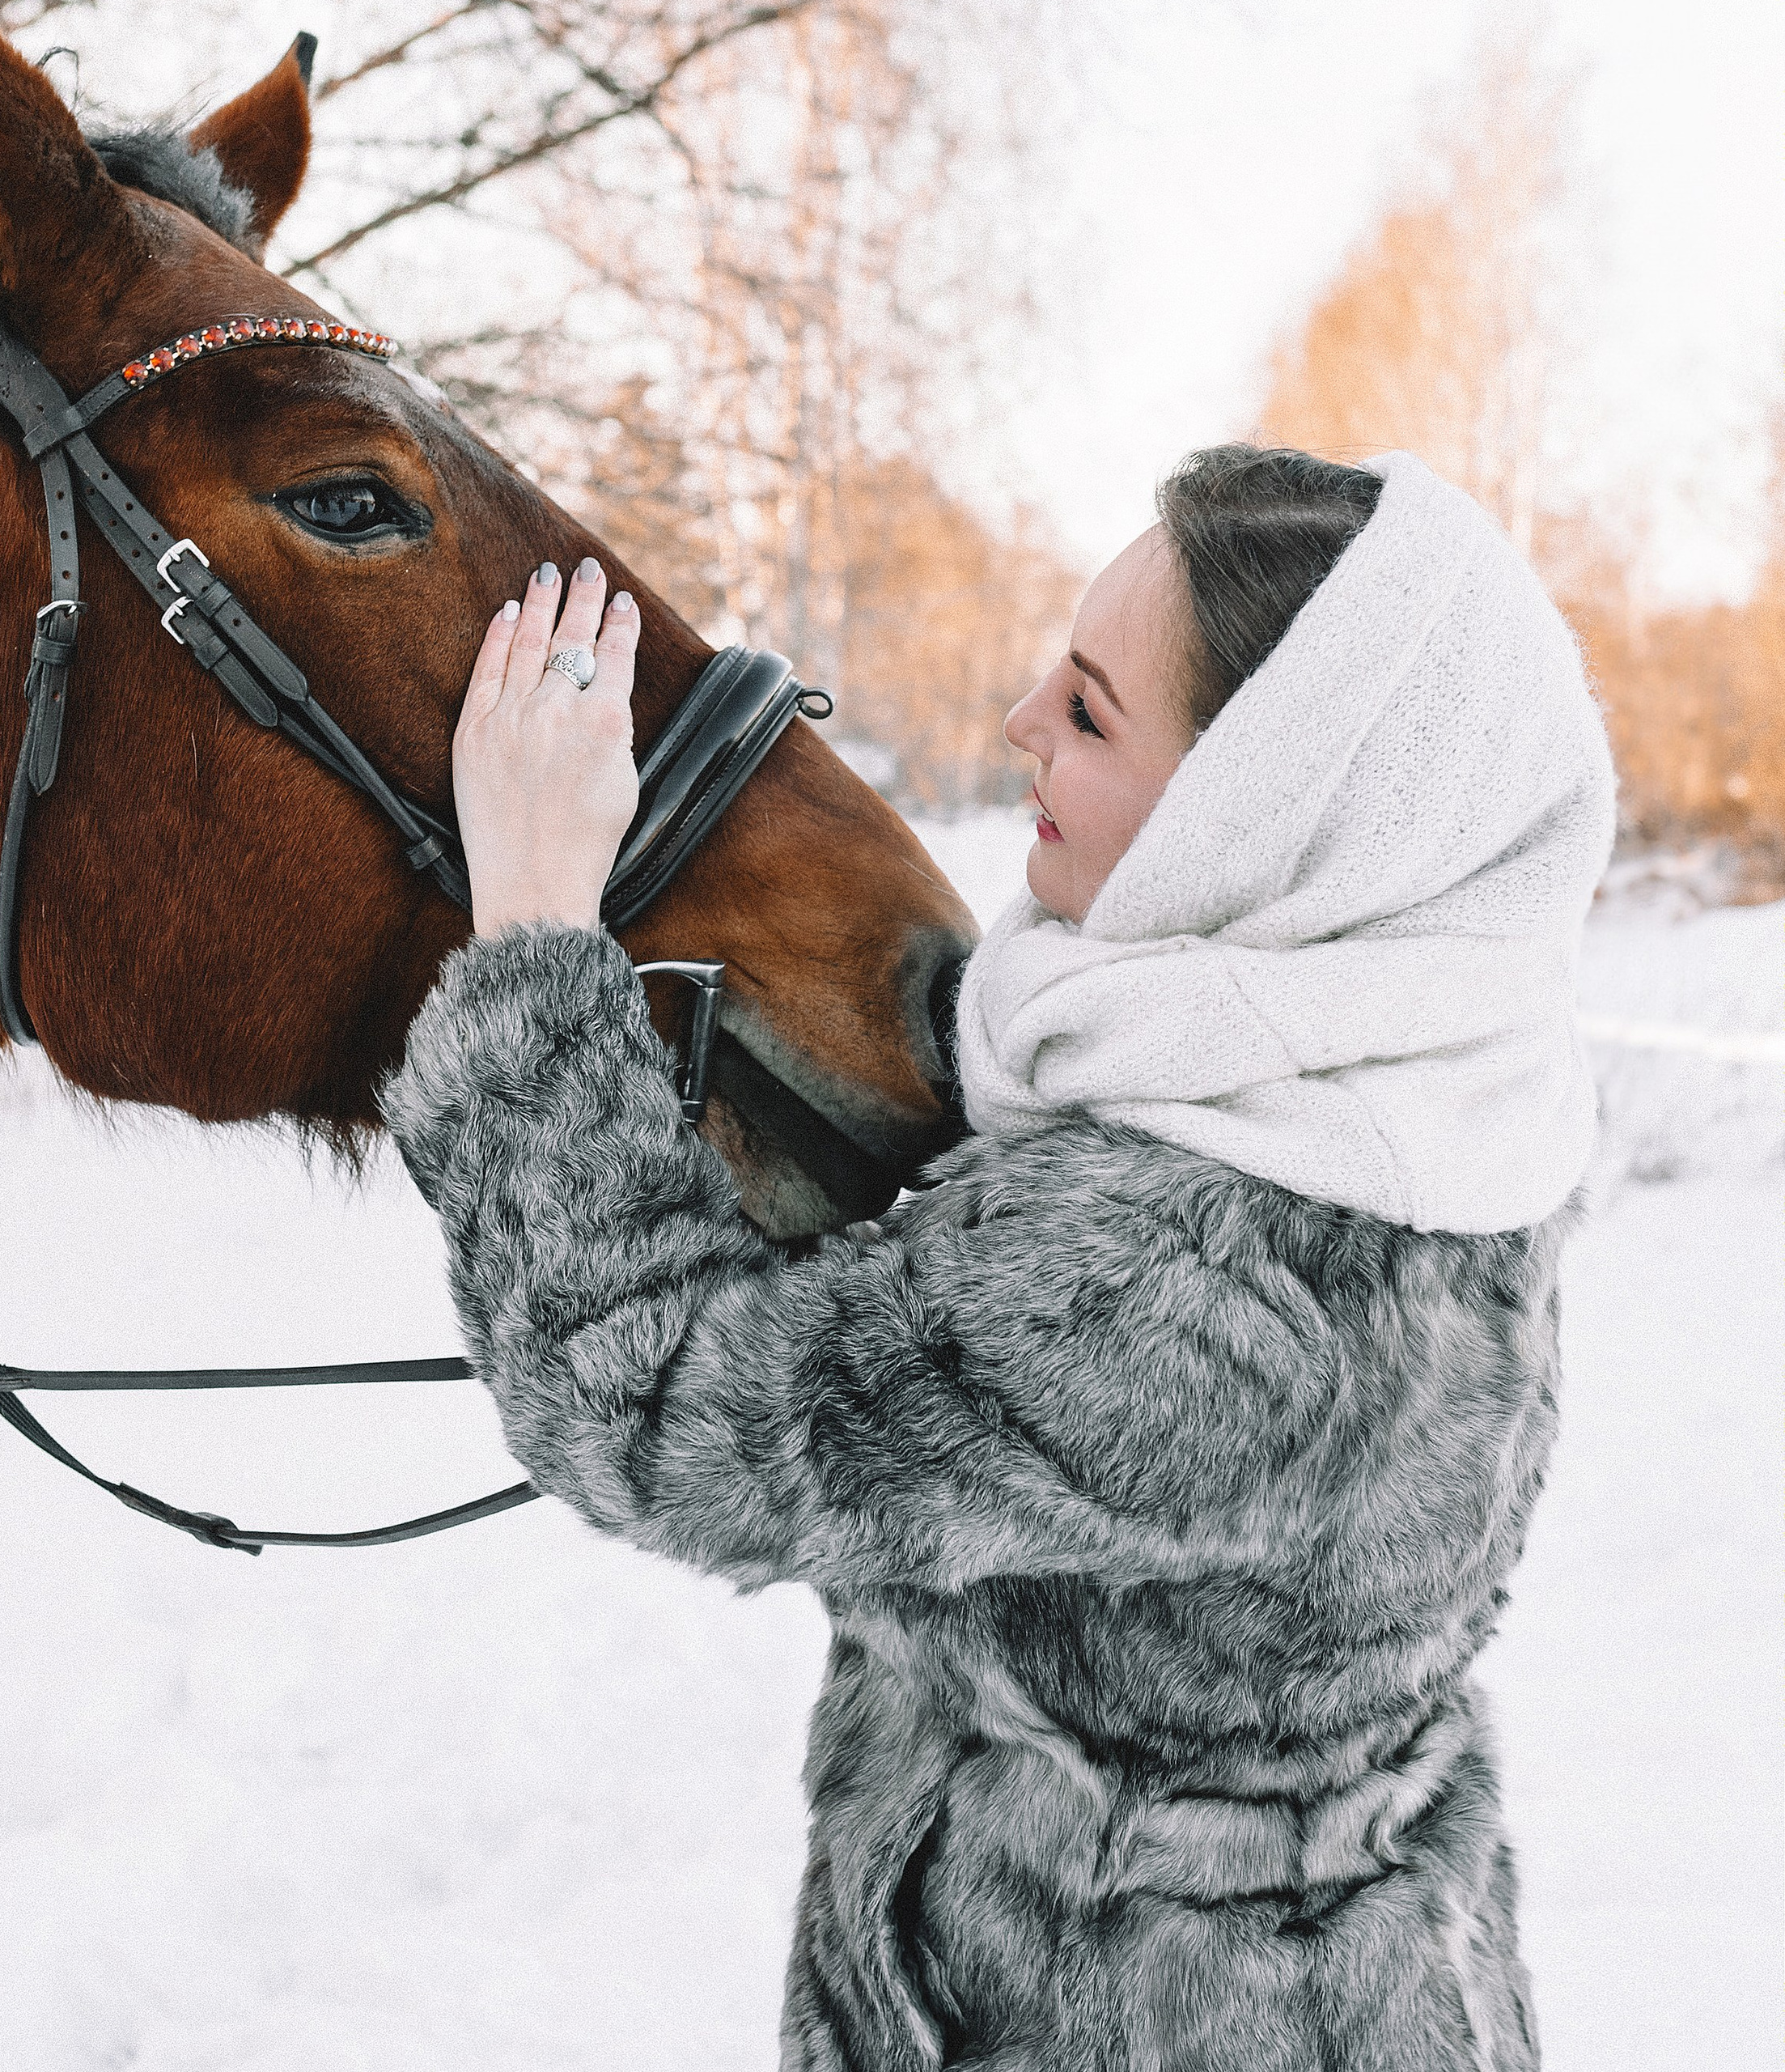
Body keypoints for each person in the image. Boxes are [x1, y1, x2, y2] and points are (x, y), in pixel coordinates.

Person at [382, 445, 1617, 2070]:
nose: (1019, 719)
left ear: (1255, 818)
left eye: (1092, 711)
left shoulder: (1171, 1272)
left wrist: (536, 926)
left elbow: (658, 1410)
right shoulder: (1422, 1090)